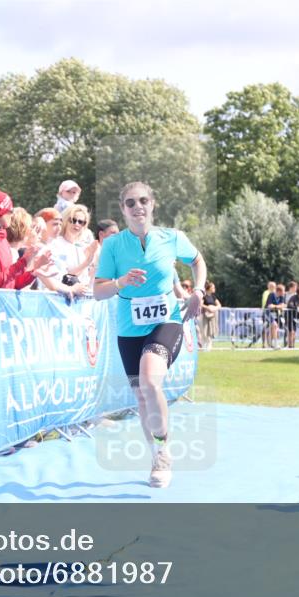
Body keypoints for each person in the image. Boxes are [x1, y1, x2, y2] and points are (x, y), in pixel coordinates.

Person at [94, 181, 206, 489]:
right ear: (123, 209)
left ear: (152, 204)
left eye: (143, 200)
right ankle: (159, 452)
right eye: (130, 203)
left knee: (150, 380)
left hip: (166, 321)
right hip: (129, 328)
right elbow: (98, 291)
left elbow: (197, 261)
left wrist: (197, 290)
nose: (137, 206)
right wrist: (121, 282)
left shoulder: (172, 238)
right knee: (142, 397)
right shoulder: (114, 246)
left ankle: (162, 456)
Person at [0, 188, 51, 290]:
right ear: (0, 212)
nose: (12, 215)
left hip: (3, 302)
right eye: (10, 211)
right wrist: (24, 261)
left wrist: (34, 272)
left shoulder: (2, 237)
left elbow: (13, 283)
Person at [48, 204, 98, 293]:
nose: (77, 224)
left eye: (81, 222)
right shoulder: (56, 244)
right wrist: (87, 262)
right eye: (73, 220)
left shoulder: (83, 247)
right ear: (65, 221)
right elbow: (64, 277)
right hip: (60, 296)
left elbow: (86, 279)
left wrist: (93, 265)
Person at [198, 281, 221, 351]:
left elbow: (219, 305)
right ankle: (204, 346)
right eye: (213, 287)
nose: (214, 288)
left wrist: (214, 309)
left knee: (211, 332)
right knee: (205, 331)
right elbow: (200, 304)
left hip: (212, 317)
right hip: (205, 316)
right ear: (209, 288)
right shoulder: (204, 296)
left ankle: (209, 347)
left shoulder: (213, 297)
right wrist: (208, 308)